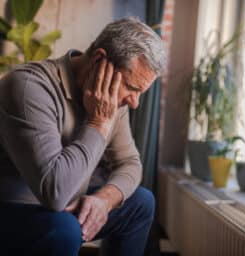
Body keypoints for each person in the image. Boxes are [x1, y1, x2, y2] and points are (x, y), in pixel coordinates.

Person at [0, 17, 165, 256]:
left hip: (61, 207)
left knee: (141, 202)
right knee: (65, 229)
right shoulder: (29, 88)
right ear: (99, 61)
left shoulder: (115, 102)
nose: (135, 102)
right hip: (13, 209)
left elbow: (129, 163)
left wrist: (105, 199)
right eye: (132, 88)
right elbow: (55, 194)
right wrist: (97, 123)